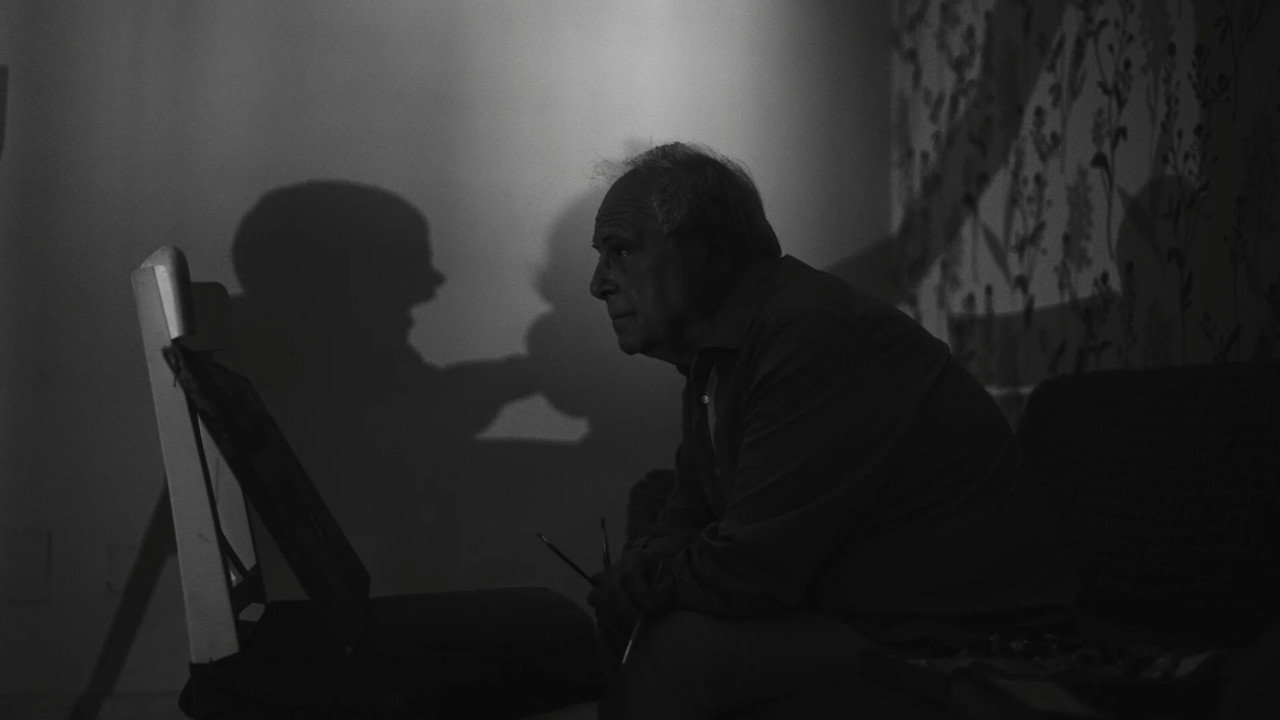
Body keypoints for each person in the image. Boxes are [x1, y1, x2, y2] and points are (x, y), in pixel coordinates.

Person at [584, 142, 1077, 718]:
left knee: (675, 652)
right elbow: (688, 513)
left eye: (621, 251)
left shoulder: (807, 335)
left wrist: (650, 583)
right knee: (640, 629)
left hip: (962, 630)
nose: (597, 284)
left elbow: (755, 568)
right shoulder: (717, 355)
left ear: (708, 251)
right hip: (871, 613)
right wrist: (643, 565)